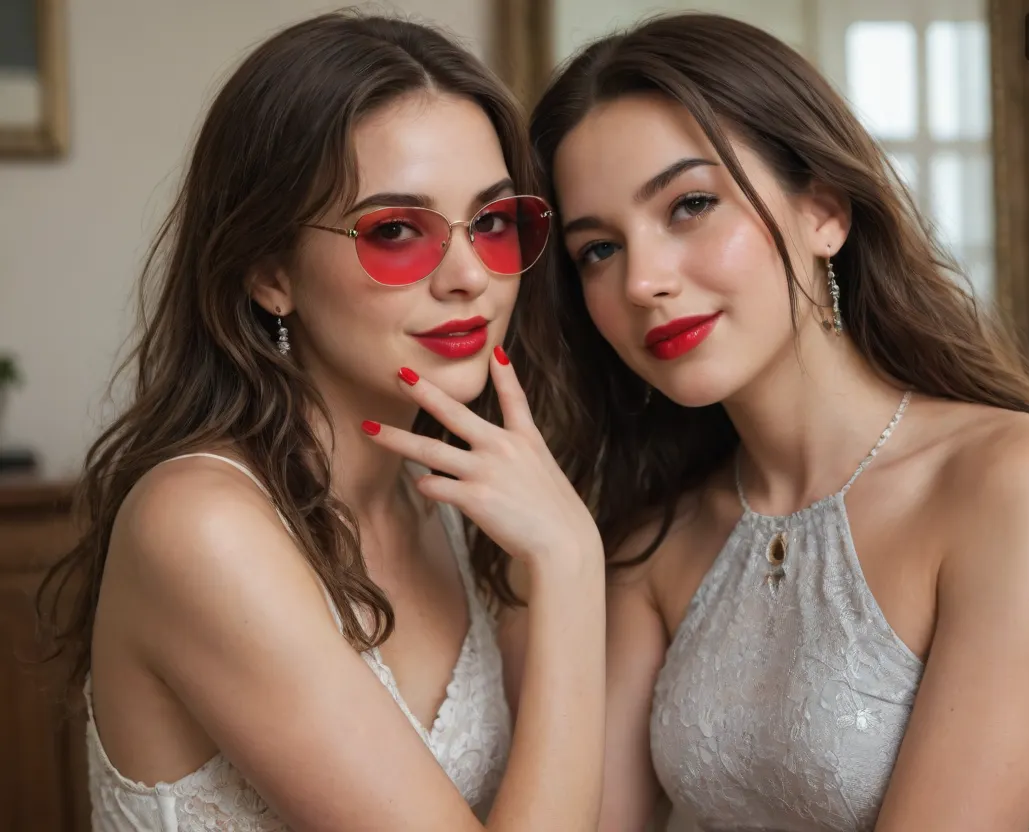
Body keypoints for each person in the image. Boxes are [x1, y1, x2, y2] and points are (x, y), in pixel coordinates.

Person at [515, 12, 1029, 832]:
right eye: (599, 250)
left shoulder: (1023, 485)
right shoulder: (654, 543)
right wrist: (561, 564)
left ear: (825, 212)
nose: (643, 281)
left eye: (690, 204)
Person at [37, 11, 605, 831]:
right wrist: (572, 565)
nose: (468, 277)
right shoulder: (201, 526)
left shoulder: (450, 497)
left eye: (490, 222)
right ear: (271, 273)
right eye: (397, 230)